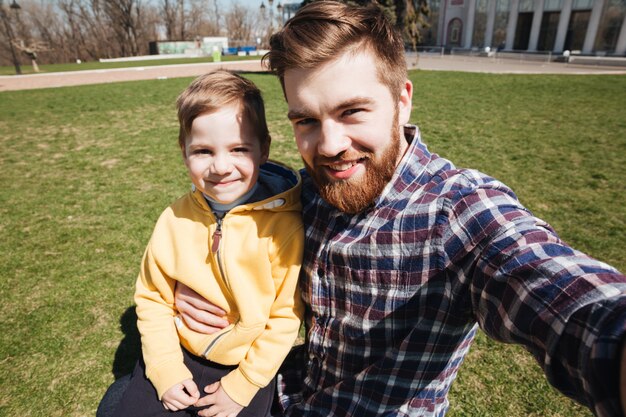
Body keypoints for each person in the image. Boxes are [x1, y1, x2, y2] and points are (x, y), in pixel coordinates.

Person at [99, 2, 626, 416]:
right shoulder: (300, 193)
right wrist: (190, 292)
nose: (329, 146)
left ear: (403, 100)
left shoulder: (458, 211)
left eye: (352, 111)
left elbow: (559, 291)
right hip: (285, 396)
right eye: (306, 120)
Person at [112, 70, 304, 417]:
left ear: (264, 149)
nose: (220, 166)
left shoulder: (285, 228)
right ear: (183, 152)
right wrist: (166, 367)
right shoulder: (173, 219)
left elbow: (285, 318)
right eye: (203, 150)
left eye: (238, 149)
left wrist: (245, 383)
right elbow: (152, 297)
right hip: (178, 348)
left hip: (244, 364)